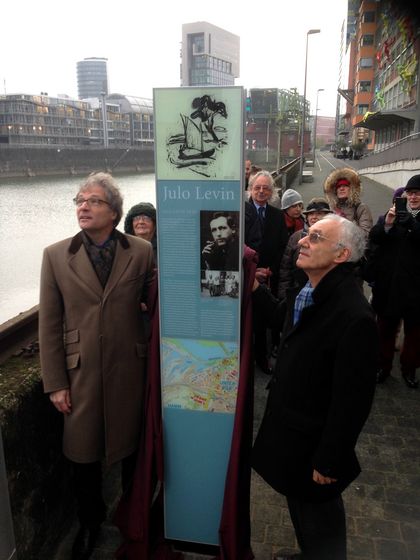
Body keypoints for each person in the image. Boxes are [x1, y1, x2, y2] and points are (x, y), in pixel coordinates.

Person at [39, 172, 155, 560]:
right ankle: (90, 524)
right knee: (82, 455)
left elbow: (154, 299)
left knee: (133, 450)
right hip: (80, 371)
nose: (83, 206)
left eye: (93, 201)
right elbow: (50, 322)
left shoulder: (140, 251)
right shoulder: (56, 255)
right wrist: (56, 381)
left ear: (114, 212)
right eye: (79, 200)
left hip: (130, 368)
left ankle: (131, 518)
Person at [252, 213, 378, 560]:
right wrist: (254, 290)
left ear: (341, 255)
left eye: (316, 237)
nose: (304, 241)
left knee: (321, 518)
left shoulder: (354, 317)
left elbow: (352, 401)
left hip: (315, 443)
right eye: (307, 233)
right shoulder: (310, 290)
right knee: (300, 507)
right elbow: (282, 320)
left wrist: (330, 459)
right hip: (294, 432)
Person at [367, 175, 420, 388]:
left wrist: (414, 225)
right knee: (385, 330)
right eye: (410, 193)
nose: (413, 197)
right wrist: (387, 225)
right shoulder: (393, 214)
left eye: (417, 193)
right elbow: (375, 238)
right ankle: (383, 366)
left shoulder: (412, 219)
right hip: (389, 285)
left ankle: (409, 369)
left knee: (415, 335)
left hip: (416, 288)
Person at [245, 170, 289, 373]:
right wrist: (253, 271)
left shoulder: (277, 215)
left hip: (268, 275)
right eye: (257, 187)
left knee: (262, 319)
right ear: (250, 189)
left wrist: (269, 270)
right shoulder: (240, 212)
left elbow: (282, 246)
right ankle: (244, 360)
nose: (261, 191)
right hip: (246, 274)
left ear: (271, 192)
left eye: (266, 188)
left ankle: (262, 359)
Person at [278, 198, 332, 301]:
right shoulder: (296, 237)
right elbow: (286, 270)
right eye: (311, 214)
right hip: (298, 293)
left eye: (319, 213)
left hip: (326, 294)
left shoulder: (334, 238)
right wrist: (284, 296)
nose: (314, 217)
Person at [323, 167, 373, 237]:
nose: (341, 188)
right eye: (338, 186)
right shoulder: (331, 208)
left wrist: (343, 223)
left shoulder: (361, 208)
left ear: (352, 189)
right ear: (335, 190)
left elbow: (366, 234)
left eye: (345, 185)